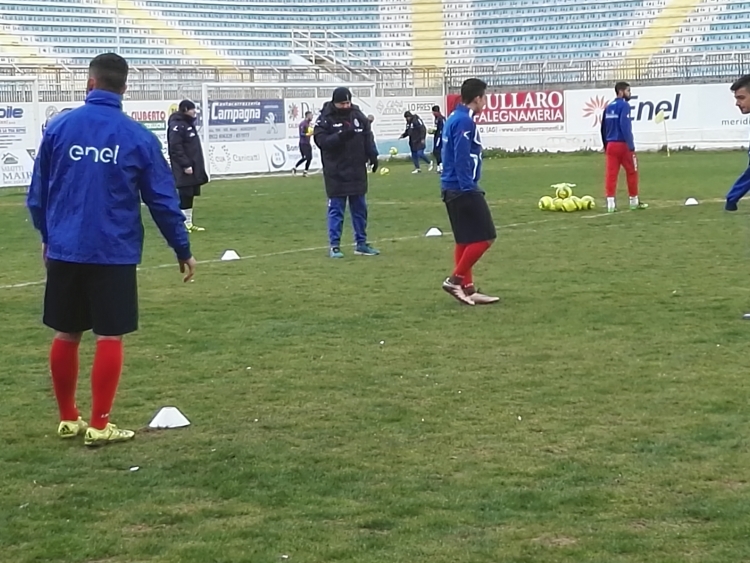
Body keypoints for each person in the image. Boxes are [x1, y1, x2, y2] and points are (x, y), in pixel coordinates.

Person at [26, 53, 197, 447]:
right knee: (109, 336)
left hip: (66, 247)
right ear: (124, 88)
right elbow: (162, 200)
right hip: (113, 250)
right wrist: (181, 248)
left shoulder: (59, 127)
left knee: (66, 332)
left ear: (90, 83)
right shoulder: (137, 137)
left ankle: (69, 418)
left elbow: (39, 195)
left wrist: (47, 236)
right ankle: (100, 424)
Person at [440, 78, 499, 306]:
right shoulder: (464, 122)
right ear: (477, 98)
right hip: (461, 188)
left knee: (465, 240)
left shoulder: (454, 118)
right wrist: (468, 187)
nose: (486, 102)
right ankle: (455, 280)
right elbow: (461, 155)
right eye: (485, 97)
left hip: (450, 186)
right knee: (486, 237)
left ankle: (468, 288)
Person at [314, 87, 380, 258]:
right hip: (336, 173)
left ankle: (361, 244)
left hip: (357, 171)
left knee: (360, 209)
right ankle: (334, 246)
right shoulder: (325, 119)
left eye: (348, 102)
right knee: (336, 210)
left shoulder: (358, 116)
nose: (346, 105)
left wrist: (373, 155)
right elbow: (322, 141)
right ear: (335, 102)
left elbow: (367, 135)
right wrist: (341, 135)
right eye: (342, 103)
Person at [601, 81, 648, 213]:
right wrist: (631, 145)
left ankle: (611, 204)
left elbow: (603, 128)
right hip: (623, 145)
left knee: (611, 175)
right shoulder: (624, 106)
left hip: (611, 145)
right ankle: (634, 202)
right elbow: (625, 126)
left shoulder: (609, 107)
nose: (630, 94)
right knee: (632, 172)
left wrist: (606, 145)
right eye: (628, 91)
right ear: (621, 92)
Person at [168, 99, 209, 232]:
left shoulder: (188, 124)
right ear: (185, 109)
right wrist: (185, 164)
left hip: (193, 166)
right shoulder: (177, 125)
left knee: (190, 194)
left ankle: (188, 223)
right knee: (184, 194)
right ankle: (180, 223)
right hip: (184, 168)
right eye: (192, 109)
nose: (194, 112)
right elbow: (175, 147)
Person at [293, 110, 314, 177]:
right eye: (311, 116)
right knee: (305, 157)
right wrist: (308, 134)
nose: (312, 117)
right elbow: (302, 134)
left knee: (310, 158)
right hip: (303, 143)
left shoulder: (308, 124)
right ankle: (294, 167)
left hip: (308, 143)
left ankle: (305, 171)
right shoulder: (303, 124)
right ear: (307, 116)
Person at [431, 105, 446, 173]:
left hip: (440, 136)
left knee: (437, 151)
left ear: (436, 111)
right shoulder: (437, 118)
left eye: (433, 112)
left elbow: (443, 128)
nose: (433, 113)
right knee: (435, 151)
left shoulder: (441, 118)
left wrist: (441, 134)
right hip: (437, 136)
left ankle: (441, 166)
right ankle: (438, 167)